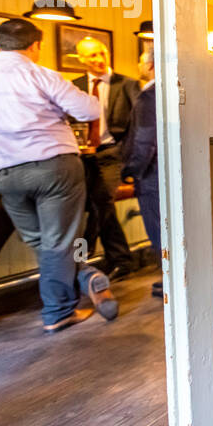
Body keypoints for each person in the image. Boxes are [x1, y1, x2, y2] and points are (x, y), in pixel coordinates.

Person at [0, 18, 119, 333]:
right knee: (58, 242)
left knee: (41, 241)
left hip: (3, 174)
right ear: (35, 45)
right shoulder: (41, 75)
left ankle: (85, 277)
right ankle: (58, 311)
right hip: (54, 169)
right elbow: (90, 111)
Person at [72, 37, 141, 280]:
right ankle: (121, 260)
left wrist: (131, 157)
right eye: (92, 56)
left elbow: (140, 125)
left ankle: (80, 257)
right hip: (84, 157)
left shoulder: (128, 85)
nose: (99, 59)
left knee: (100, 201)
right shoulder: (75, 86)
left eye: (102, 53)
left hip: (114, 153)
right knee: (95, 204)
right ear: (81, 59)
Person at [123, 49, 162, 299]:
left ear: (150, 65)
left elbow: (146, 142)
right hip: (175, 172)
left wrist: (131, 170)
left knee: (158, 228)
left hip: (153, 175)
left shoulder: (150, 96)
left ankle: (170, 279)